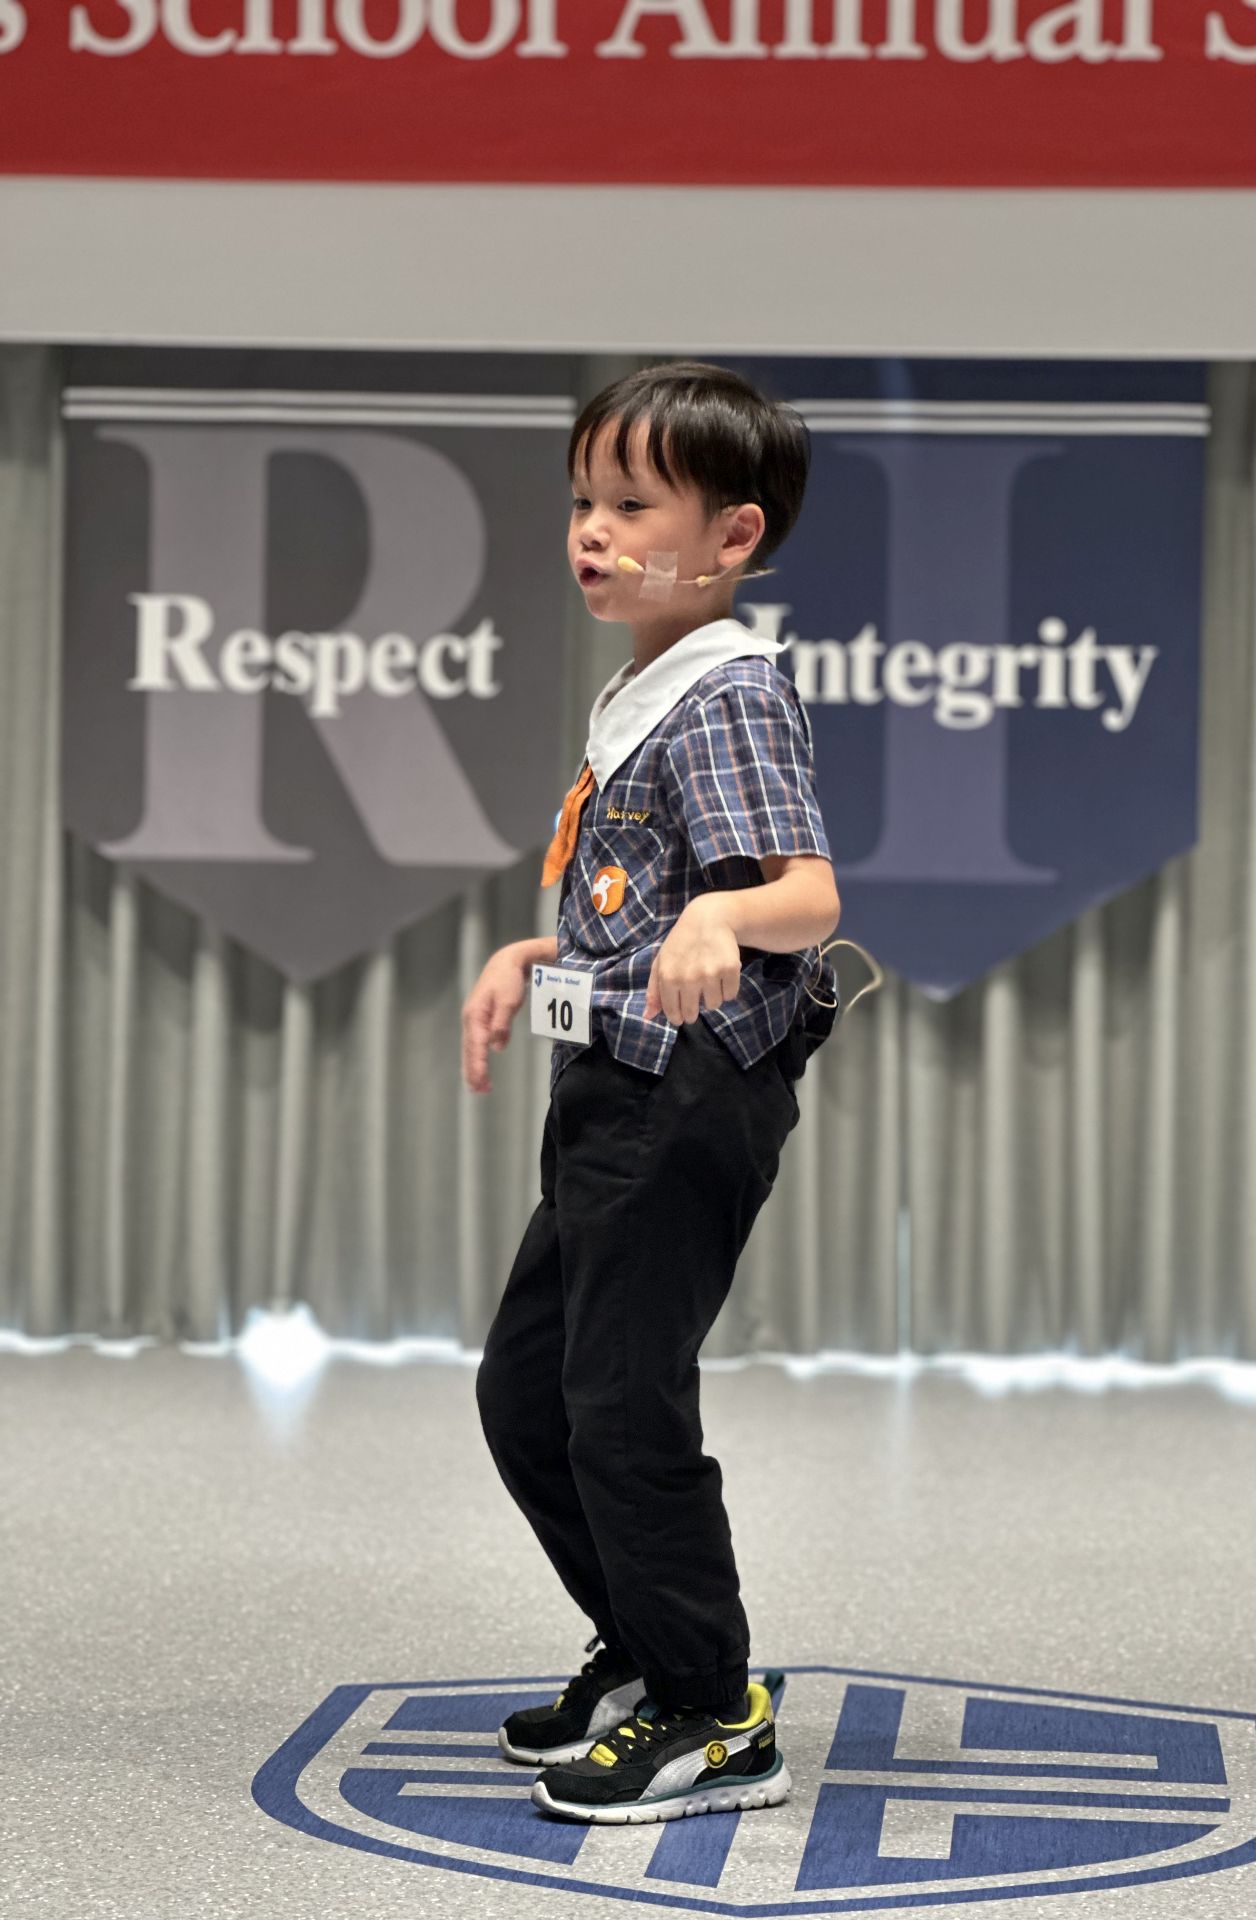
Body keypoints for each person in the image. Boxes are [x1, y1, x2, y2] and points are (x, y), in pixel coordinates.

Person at [462, 359, 841, 1825]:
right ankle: (640, 1644)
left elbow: (806, 896)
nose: (594, 531)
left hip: (686, 1096)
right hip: (612, 1084)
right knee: (528, 1393)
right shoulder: (641, 692)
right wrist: (534, 954)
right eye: (584, 502)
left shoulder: (729, 694)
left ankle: (713, 1709)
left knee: (622, 1404)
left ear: (734, 535)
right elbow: (639, 907)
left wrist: (725, 916)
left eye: (632, 505)